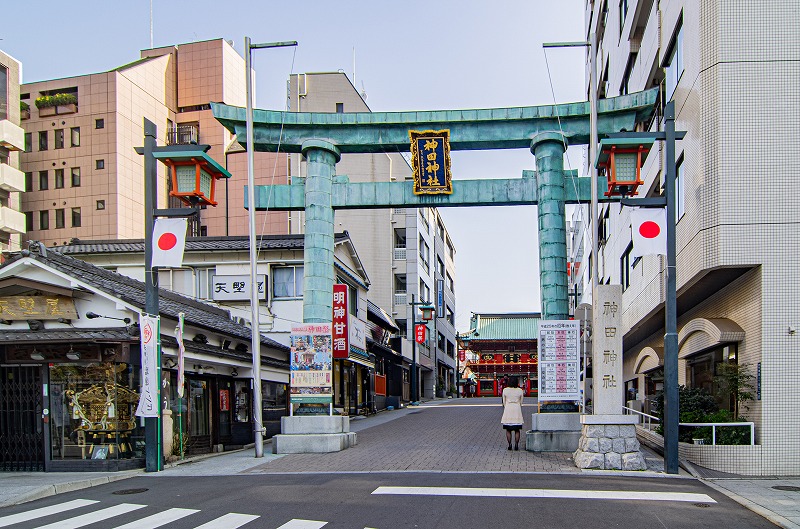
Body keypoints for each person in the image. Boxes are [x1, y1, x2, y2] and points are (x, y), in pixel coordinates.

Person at [500, 376, 524, 450]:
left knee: (508, 429)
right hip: (517, 409)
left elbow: (504, 401)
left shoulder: (505, 390)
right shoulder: (520, 390)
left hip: (508, 409)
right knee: (517, 429)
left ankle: (509, 445)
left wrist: (506, 405)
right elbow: (521, 401)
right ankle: (516, 445)